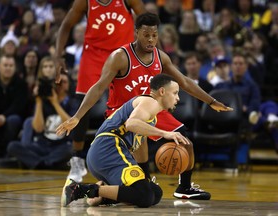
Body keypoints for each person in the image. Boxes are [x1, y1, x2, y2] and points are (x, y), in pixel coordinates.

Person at [56, 13, 233, 202]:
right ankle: (119, 187)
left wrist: (210, 101)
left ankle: (184, 187)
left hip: (150, 108)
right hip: (122, 112)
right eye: (146, 35)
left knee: (183, 139)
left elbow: (184, 82)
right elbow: (99, 87)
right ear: (136, 33)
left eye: (154, 35)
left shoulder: (161, 57)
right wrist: (78, 116)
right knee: (140, 162)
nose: (150, 39)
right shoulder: (120, 57)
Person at [57, 74, 188, 207]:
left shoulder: (150, 113)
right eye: (175, 93)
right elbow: (131, 123)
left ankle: (102, 195)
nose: (178, 98)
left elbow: (140, 144)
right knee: (145, 195)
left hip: (102, 153)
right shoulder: (151, 102)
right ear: (162, 91)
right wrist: (166, 133)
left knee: (155, 193)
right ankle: (79, 190)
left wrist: (144, 174)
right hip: (109, 148)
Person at [54, 0, 146, 184]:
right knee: (83, 103)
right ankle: (77, 159)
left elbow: (145, 21)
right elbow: (66, 25)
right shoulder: (85, 2)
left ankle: (138, 165)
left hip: (123, 54)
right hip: (94, 54)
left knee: (134, 106)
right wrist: (58, 56)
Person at [7, 57, 76, 169]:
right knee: (12, 146)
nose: (60, 85)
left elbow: (70, 125)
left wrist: (55, 103)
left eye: (63, 82)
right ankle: (48, 163)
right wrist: (38, 102)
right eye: (58, 82)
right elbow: (38, 128)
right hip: (42, 145)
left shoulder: (72, 102)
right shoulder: (43, 100)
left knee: (70, 149)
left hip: (61, 145)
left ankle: (38, 163)